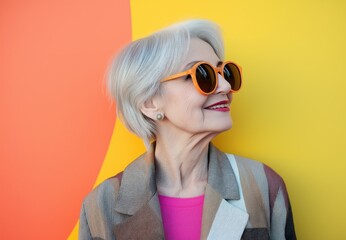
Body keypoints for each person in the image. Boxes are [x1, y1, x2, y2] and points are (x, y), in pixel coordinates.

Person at [79, 19, 296, 240]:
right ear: (150, 102)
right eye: (203, 75)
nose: (226, 87)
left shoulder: (263, 186)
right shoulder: (101, 205)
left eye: (226, 73)